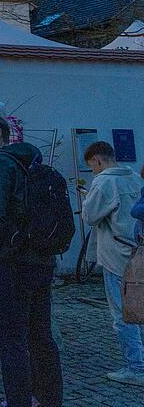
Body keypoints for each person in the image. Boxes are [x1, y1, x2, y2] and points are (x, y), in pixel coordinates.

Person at [0, 114, 62, 407]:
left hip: (7, 262)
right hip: (40, 259)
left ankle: (18, 400)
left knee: (11, 340)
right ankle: (48, 399)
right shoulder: (30, 162)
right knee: (40, 335)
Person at [81, 140, 144, 387]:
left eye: (92, 166)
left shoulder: (104, 182)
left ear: (97, 160)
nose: (93, 171)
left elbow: (89, 216)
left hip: (116, 256)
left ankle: (136, 367)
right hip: (138, 252)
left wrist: (87, 197)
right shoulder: (135, 177)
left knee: (122, 314)